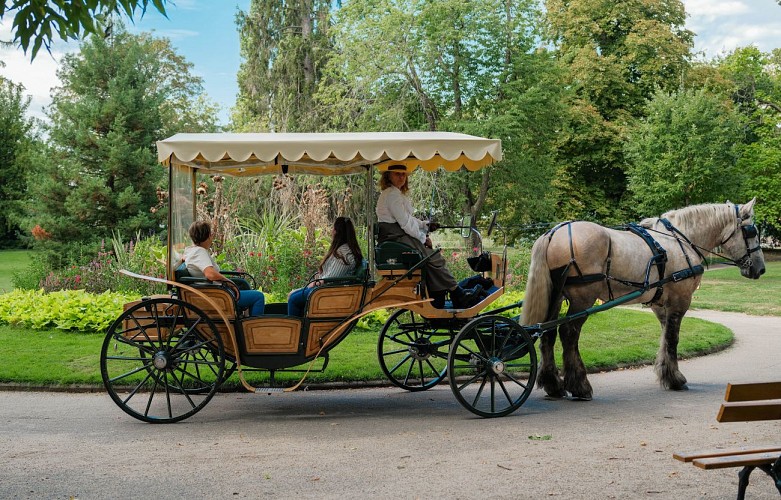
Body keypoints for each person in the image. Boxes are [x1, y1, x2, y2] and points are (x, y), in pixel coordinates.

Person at [376, 164, 482, 309]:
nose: (401, 177)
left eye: (403, 174)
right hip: (395, 236)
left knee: (430, 259)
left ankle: (444, 294)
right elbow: (405, 223)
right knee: (433, 258)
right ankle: (457, 293)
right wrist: (423, 238)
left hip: (396, 235)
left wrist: (425, 225)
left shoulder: (394, 193)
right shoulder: (392, 195)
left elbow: (409, 219)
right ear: (388, 176)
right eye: (397, 174)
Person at [183, 220, 265, 316]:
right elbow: (210, 274)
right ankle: (253, 328)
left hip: (213, 290)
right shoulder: (199, 252)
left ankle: (245, 321)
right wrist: (229, 282)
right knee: (258, 297)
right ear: (208, 235)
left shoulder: (191, 251)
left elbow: (186, 259)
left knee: (245, 286)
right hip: (215, 294)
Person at [287, 217, 364, 316]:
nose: (332, 231)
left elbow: (331, 278)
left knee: (293, 299)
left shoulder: (344, 254)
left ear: (337, 232)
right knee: (293, 294)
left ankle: (296, 329)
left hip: (328, 292)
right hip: (326, 289)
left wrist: (315, 283)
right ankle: (302, 326)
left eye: (333, 229)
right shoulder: (343, 251)